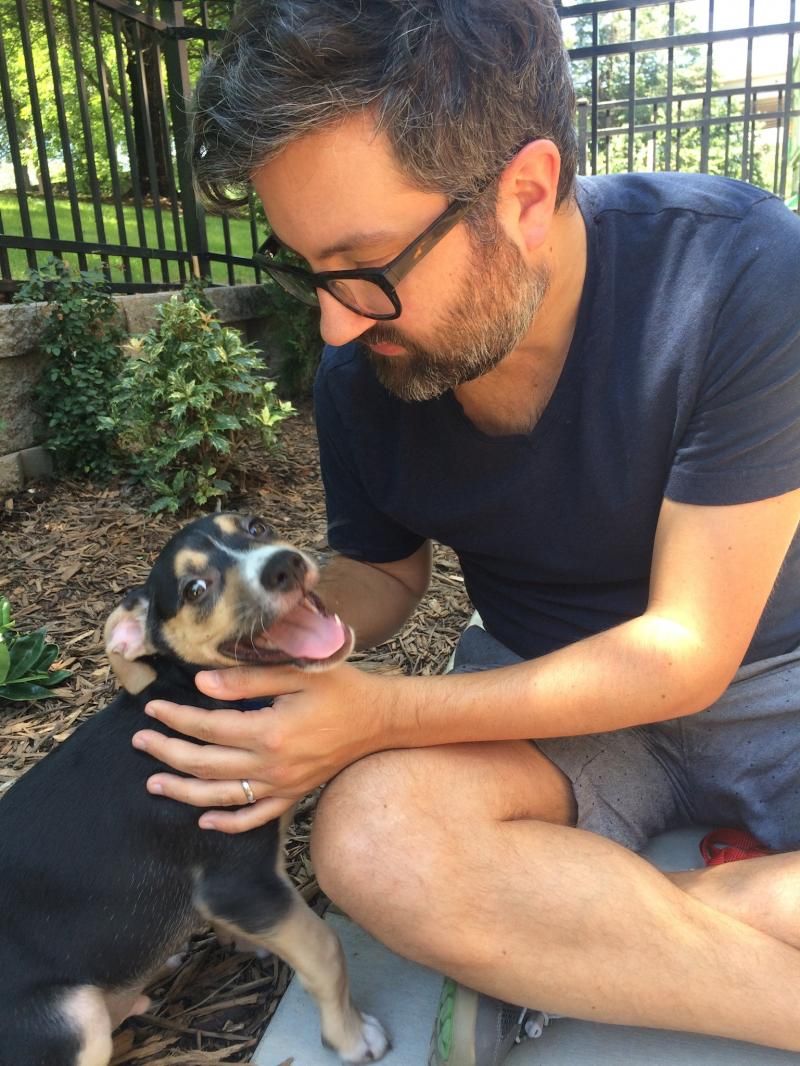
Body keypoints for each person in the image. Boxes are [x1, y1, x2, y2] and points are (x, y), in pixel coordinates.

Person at [131, 1, 800, 1061]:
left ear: (525, 194)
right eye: (305, 265)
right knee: (375, 844)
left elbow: (684, 655)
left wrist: (380, 713)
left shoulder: (735, 271)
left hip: (776, 680)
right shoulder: (361, 374)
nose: (335, 323)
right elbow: (384, 575)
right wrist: (272, 633)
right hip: (555, 697)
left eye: (363, 265)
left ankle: (598, 934)